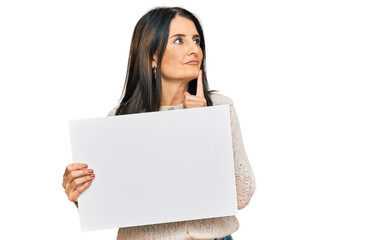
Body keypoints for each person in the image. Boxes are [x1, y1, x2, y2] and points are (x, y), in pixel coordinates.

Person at [62, 7, 256, 240]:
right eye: (178, 41)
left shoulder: (220, 108)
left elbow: (242, 195)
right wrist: (81, 194)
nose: (194, 49)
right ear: (152, 57)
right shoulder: (121, 120)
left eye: (196, 40)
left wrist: (205, 126)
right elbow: (117, 202)